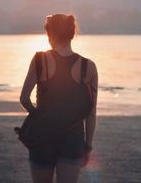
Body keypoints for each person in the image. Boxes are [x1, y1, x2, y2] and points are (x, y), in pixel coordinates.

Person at [19, 14, 98, 183]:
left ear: (50, 35)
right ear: (72, 34)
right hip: (73, 139)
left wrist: (38, 115)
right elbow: (91, 113)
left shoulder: (40, 61)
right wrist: (87, 145)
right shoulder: (88, 66)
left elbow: (24, 98)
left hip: (43, 138)